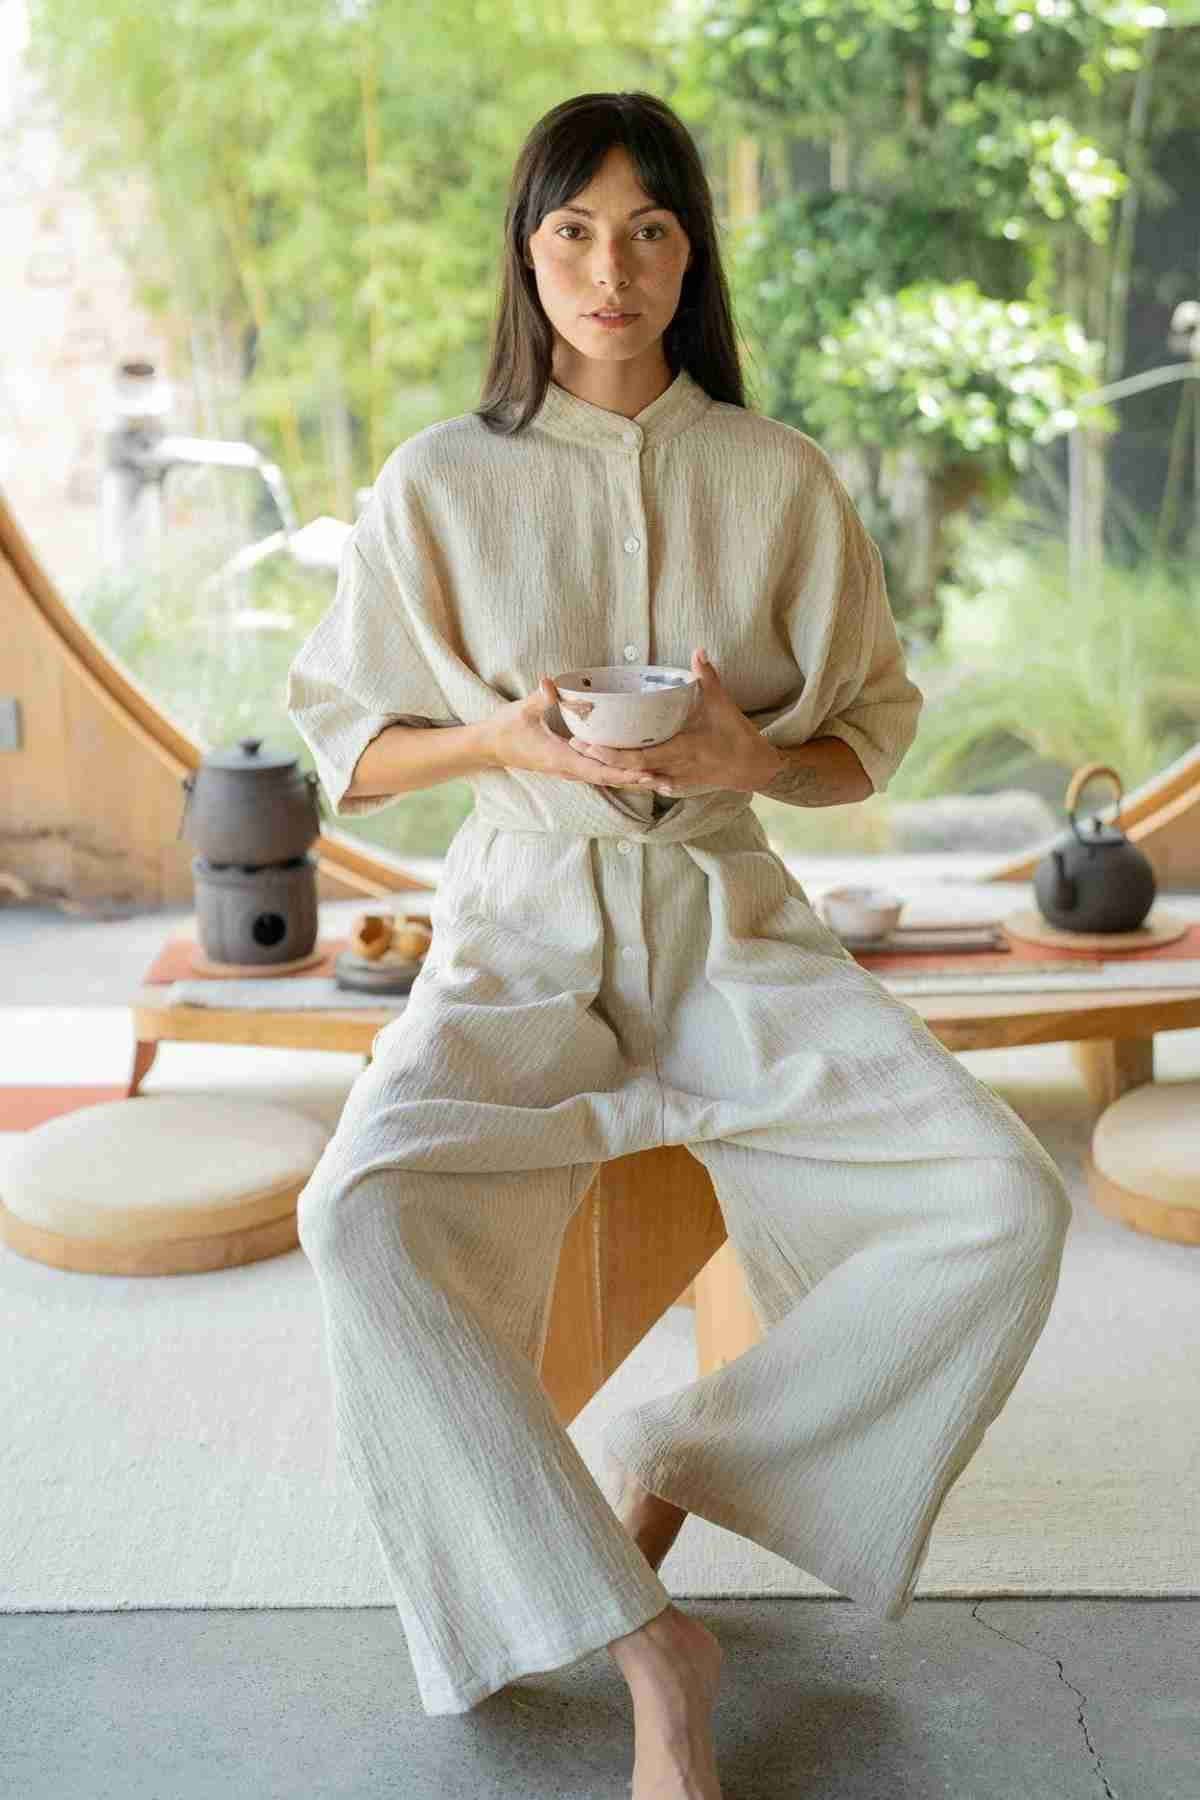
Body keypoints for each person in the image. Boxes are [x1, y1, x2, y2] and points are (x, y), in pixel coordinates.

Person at [285, 90, 1072, 1800]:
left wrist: (750, 763)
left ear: (692, 252)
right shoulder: (440, 480)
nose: (609, 267)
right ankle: (650, 1643)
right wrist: (501, 737)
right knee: (354, 1213)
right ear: (526, 251)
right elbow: (348, 735)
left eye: (648, 229)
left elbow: (865, 735)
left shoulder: (779, 478)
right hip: (517, 929)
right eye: (572, 229)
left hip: (736, 925)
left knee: (1004, 1207)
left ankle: (675, 1448)